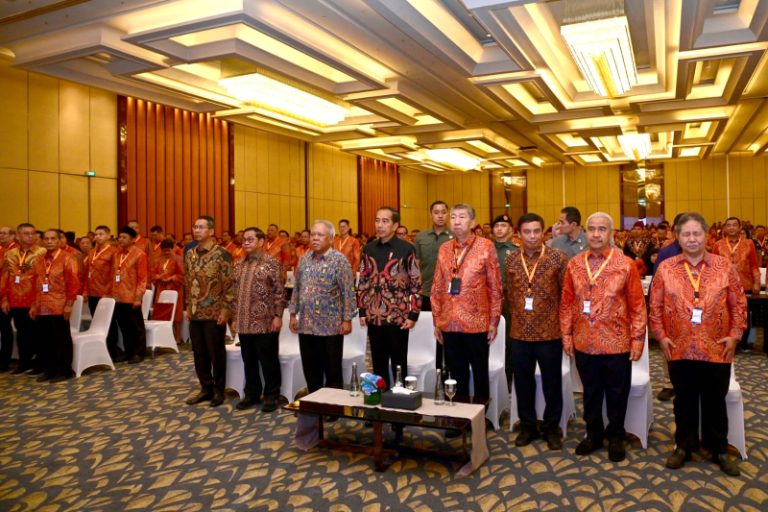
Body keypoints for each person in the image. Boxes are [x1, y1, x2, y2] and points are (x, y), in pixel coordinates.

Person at [649, 212, 745, 476]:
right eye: (686, 234)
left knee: (716, 401)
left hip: (717, 347)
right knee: (685, 401)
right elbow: (654, 306)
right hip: (678, 347)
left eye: (697, 233)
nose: (691, 239)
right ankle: (684, 446)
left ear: (707, 236)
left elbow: (738, 304)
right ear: (677, 238)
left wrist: (736, 334)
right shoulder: (666, 268)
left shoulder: (724, 266)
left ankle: (719, 449)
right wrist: (660, 334)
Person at [560, 212, 646, 462]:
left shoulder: (625, 264)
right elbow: (566, 302)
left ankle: (616, 436)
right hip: (584, 340)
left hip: (617, 341)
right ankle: (594, 434)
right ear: (586, 232)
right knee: (590, 392)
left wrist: (638, 338)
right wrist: (566, 334)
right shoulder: (574, 264)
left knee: (618, 393)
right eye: (592, 229)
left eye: (602, 229)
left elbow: (637, 305)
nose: (596, 234)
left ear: (611, 234)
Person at [506, 213, 568, 450]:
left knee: (551, 383)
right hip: (520, 333)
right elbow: (510, 295)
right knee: (523, 382)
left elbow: (565, 295)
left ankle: (552, 428)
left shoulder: (557, 258)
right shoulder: (511, 259)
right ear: (519, 234)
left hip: (549, 333)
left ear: (544, 233)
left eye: (536, 231)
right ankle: (528, 426)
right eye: (527, 232)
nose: (532, 236)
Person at [431, 204, 503, 407]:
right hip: (450, 322)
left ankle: (481, 417)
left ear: (472, 222)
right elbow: (437, 286)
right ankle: (458, 417)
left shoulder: (485, 246)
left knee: (480, 373)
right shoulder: (445, 249)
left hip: (477, 323)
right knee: (454, 374)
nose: (456, 221)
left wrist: (494, 321)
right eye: (453, 217)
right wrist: (437, 320)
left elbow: (495, 287)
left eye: (462, 217)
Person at [289, 220, 356, 393]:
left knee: (332, 370)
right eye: (313, 234)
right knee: (311, 369)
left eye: (320, 235)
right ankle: (314, 405)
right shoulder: (304, 260)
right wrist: (292, 314)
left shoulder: (340, 261)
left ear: (331, 238)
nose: (315, 238)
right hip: (306, 324)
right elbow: (297, 288)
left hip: (331, 327)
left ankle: (332, 407)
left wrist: (347, 319)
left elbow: (348, 292)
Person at [358, 207, 421, 390]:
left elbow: (416, 283)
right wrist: (362, 309)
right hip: (374, 316)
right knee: (378, 364)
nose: (380, 225)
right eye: (377, 220)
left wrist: (413, 314)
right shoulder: (368, 249)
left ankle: (399, 403)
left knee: (399, 364)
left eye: (385, 221)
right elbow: (363, 280)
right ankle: (379, 403)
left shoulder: (407, 249)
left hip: (398, 317)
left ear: (395, 225)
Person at [231, 227, 285, 412]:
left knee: (268, 360)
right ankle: (252, 394)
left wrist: (278, 316)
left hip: (265, 322)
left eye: (250, 239)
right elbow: (234, 294)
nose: (246, 242)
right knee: (249, 360)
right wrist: (234, 317)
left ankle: (272, 395)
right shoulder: (238, 265)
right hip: (244, 322)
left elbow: (279, 292)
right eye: (244, 239)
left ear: (261, 242)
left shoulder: (271, 263)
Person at [184, 215, 233, 407]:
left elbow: (229, 284)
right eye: (195, 226)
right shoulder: (190, 254)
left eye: (201, 227)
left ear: (211, 231)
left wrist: (226, 309)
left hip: (214, 312)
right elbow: (187, 282)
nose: (197, 230)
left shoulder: (222, 254)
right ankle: (206, 388)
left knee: (216, 353)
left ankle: (219, 390)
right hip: (195, 312)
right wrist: (188, 305)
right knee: (199, 353)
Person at [29, 229, 81, 382]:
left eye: (53, 239)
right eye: (46, 239)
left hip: (59, 305)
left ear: (59, 241)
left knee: (61, 339)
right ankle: (50, 369)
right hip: (41, 305)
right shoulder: (39, 259)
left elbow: (74, 283)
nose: (49, 241)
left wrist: (69, 304)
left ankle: (64, 370)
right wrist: (33, 305)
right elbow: (35, 283)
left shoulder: (67, 258)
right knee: (45, 340)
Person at [1, 223, 46, 374]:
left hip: (33, 299)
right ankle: (24, 362)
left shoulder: (42, 252)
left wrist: (37, 301)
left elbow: (42, 278)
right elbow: (6, 278)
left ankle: (39, 363)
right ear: (18, 236)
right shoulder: (10, 254)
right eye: (26, 233)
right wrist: (4, 298)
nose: (30, 236)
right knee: (22, 333)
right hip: (15, 299)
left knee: (37, 333)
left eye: (32, 233)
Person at [414, 200, 453, 370]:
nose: (440, 215)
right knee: (430, 333)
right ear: (431, 214)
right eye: (436, 212)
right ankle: (434, 368)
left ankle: (449, 369)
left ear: (448, 214)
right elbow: (415, 265)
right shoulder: (421, 237)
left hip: (449, 294)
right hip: (426, 292)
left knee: (449, 334)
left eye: (443, 212)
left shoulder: (455, 236)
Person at [712, 217, 760, 350]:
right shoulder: (718, 245)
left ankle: (743, 342)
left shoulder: (748, 243)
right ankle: (727, 341)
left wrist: (756, 282)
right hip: (724, 285)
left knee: (743, 314)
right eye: (729, 225)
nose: (732, 227)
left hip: (745, 285)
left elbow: (754, 265)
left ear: (740, 228)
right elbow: (713, 266)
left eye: (734, 225)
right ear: (725, 228)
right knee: (726, 313)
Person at [111, 226, 148, 365]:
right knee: (124, 326)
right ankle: (128, 351)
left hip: (132, 297)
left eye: (124, 237)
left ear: (132, 239)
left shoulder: (139, 254)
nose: (120, 240)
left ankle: (139, 353)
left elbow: (142, 278)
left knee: (136, 326)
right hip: (118, 297)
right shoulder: (116, 254)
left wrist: (138, 297)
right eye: (119, 237)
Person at [84, 225, 120, 359]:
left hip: (105, 292)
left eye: (101, 234)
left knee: (109, 323)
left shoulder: (113, 252)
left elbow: (114, 273)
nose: (97, 237)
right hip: (93, 292)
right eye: (96, 234)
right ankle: (100, 349)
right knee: (96, 322)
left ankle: (112, 351)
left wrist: (110, 292)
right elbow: (87, 272)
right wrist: (85, 290)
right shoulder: (92, 252)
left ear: (108, 235)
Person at [491, 213, 519, 390]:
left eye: (504, 226)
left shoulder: (517, 250)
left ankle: (508, 377)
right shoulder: (486, 248)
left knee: (508, 338)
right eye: (497, 226)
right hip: (488, 298)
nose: (500, 229)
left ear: (510, 230)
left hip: (508, 299)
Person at [151, 239, 185, 342]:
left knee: (176, 314)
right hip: (161, 290)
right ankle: (164, 338)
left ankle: (178, 337)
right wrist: (157, 277)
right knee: (162, 313)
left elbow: (182, 275)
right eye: (164, 250)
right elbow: (152, 274)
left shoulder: (178, 259)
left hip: (175, 290)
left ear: (172, 249)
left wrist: (172, 278)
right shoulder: (158, 259)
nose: (166, 252)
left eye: (168, 250)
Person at [0, 226, 19, 372]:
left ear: (13, 236)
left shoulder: (15, 252)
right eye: (0, 233)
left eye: (5, 233)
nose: (1, 236)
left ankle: (5, 360)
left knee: (5, 328)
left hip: (10, 294)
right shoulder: (1, 250)